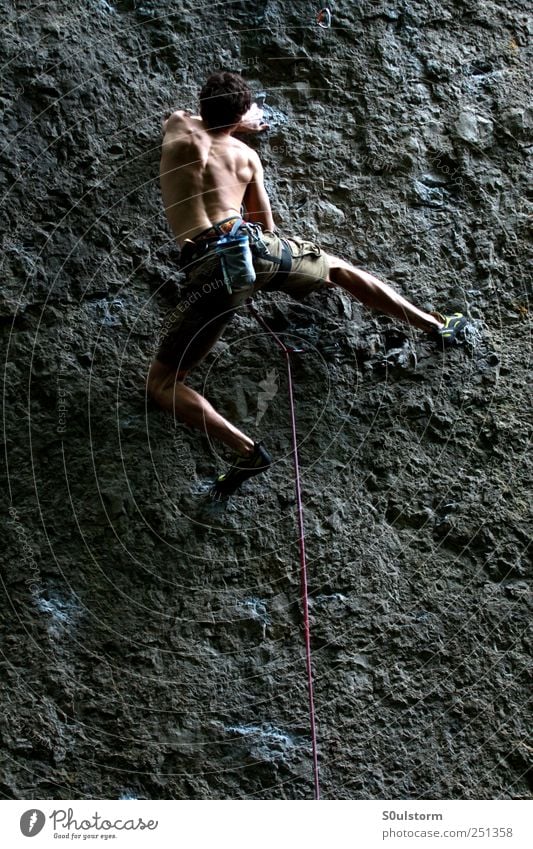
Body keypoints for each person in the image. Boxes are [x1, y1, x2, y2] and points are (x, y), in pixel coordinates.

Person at [147, 72, 467, 496]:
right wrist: (243, 129)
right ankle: (434, 324)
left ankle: (247, 451)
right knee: (337, 269)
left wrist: (235, 118)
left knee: (163, 384)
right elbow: (266, 224)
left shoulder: (178, 126)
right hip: (254, 248)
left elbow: (197, 118)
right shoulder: (245, 158)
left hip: (211, 271)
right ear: (241, 116)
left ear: (203, 104)